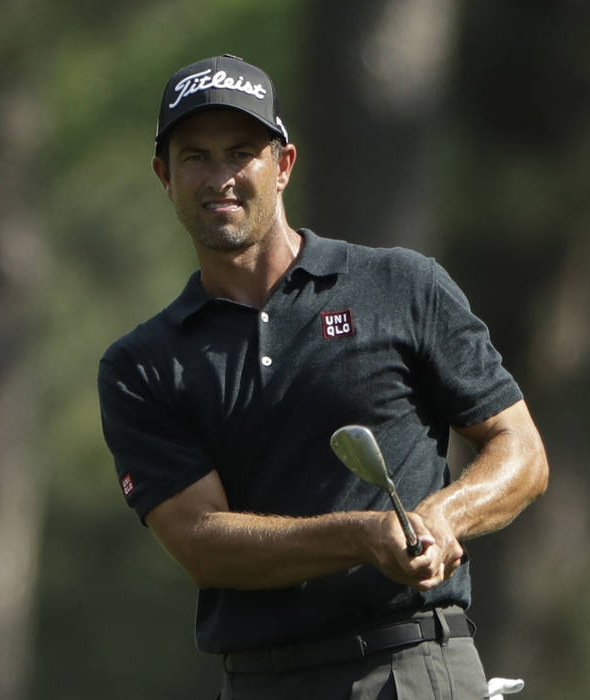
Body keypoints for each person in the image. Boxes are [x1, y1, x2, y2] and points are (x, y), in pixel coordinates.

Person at [96, 54, 549, 699]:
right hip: (261, 681)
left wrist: (444, 516)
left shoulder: (400, 284)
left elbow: (522, 449)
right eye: (196, 156)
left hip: (413, 664)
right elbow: (202, 542)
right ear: (164, 177)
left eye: (240, 152)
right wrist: (365, 536)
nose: (220, 176)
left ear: (282, 166)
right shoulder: (143, 364)